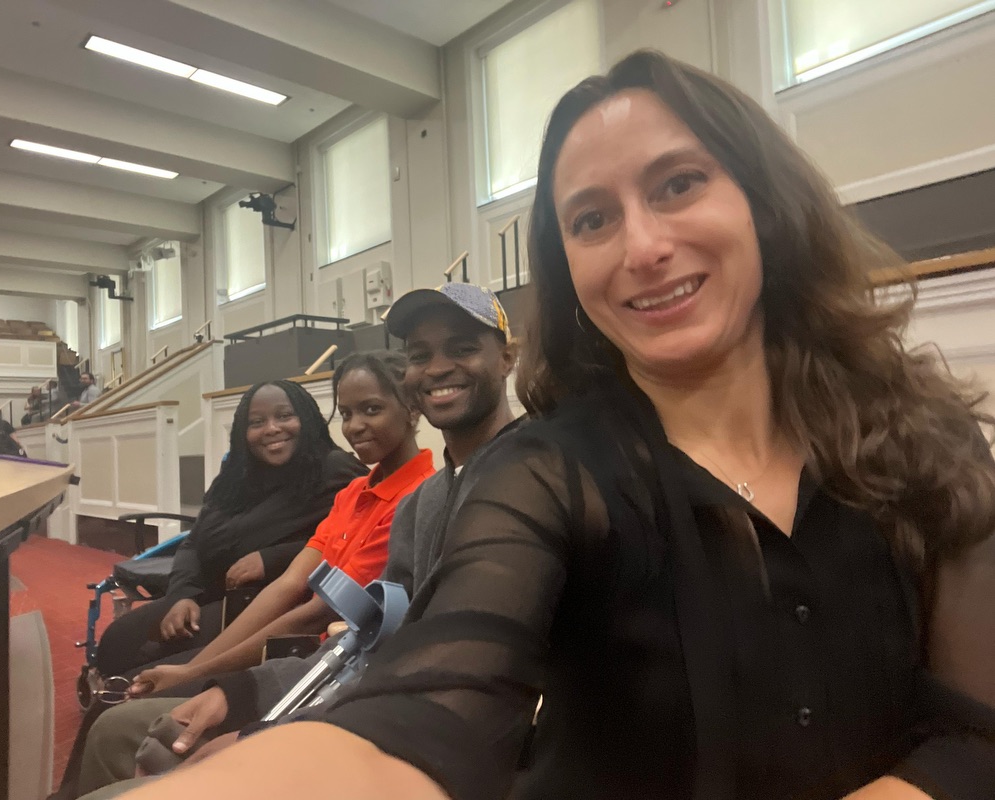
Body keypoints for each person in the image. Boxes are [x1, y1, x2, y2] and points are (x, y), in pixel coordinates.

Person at [122, 50, 995, 800]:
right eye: (591, 219)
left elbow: (978, 732)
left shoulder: (925, 443)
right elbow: (430, 707)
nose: (640, 245)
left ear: (763, 204)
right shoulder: (544, 472)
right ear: (566, 266)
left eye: (678, 183)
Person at [74, 283, 522, 799]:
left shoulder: (523, 483)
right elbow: (364, 640)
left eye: (463, 348)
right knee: (116, 724)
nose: (438, 367)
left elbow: (433, 675)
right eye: (421, 354)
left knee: (124, 752)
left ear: (507, 358)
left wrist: (260, 727)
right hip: (340, 691)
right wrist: (236, 689)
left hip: (405, 741)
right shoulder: (426, 503)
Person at [124, 351, 436, 696]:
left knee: (125, 715)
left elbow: (316, 613)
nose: (354, 426)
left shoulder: (415, 499)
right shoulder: (352, 493)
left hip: (330, 665)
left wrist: (196, 673)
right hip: (293, 640)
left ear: (412, 408)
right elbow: (288, 584)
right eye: (346, 414)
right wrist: (191, 669)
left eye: (371, 410)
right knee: (131, 663)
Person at [93, 379, 367, 679]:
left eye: (285, 416)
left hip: (257, 605)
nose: (272, 429)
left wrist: (271, 558)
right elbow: (193, 543)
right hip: (203, 593)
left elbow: (351, 540)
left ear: (307, 418)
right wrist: (183, 596)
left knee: (145, 670)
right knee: (114, 644)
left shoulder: (335, 469)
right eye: (257, 422)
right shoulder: (235, 475)